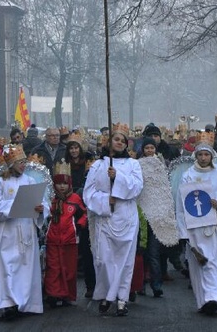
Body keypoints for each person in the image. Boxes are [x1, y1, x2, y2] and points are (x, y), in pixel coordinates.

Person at [83, 122, 143, 316]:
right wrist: (105, 199)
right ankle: (107, 295)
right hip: (105, 217)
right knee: (104, 260)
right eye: (115, 139)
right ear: (108, 142)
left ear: (127, 145)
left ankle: (121, 299)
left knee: (124, 261)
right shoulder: (98, 165)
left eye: (122, 141)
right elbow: (88, 192)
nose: (119, 142)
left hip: (126, 217)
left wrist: (118, 177)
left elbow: (136, 187)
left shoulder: (133, 164)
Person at [175, 132, 217, 315]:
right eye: (200, 154)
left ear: (212, 156)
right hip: (195, 229)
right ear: (196, 155)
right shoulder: (187, 176)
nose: (203, 158)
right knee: (201, 265)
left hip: (216, 227)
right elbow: (180, 205)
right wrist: (183, 232)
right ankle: (205, 300)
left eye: (206, 154)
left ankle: (215, 298)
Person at [0, 145, 49, 319]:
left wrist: (41, 208)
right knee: (7, 267)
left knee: (25, 267)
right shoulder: (1, 183)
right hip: (7, 232)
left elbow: (43, 202)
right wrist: (13, 207)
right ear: (11, 163)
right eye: (19, 162)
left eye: (24, 162)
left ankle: (25, 302)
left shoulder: (30, 181)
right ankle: (7, 303)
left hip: (26, 231)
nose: (23, 165)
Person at [137, 137, 180, 298]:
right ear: (143, 149)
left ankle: (156, 285)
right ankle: (140, 285)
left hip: (156, 215)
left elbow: (164, 190)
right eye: (146, 148)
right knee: (141, 254)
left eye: (151, 148)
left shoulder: (161, 165)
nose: (149, 150)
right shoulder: (137, 165)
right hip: (142, 214)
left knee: (153, 254)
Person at [44, 161, 87, 307]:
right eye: (59, 183)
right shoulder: (51, 199)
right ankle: (53, 294)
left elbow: (84, 214)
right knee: (53, 267)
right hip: (53, 239)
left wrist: (80, 225)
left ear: (69, 184)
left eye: (65, 183)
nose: (62, 186)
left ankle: (67, 294)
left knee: (69, 268)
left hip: (70, 240)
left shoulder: (75, 199)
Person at [65, 132, 95, 298]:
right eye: (71, 148)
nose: (74, 151)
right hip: (71, 207)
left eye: (76, 147)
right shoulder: (64, 164)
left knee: (91, 248)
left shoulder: (89, 163)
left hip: (87, 206)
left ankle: (94, 284)